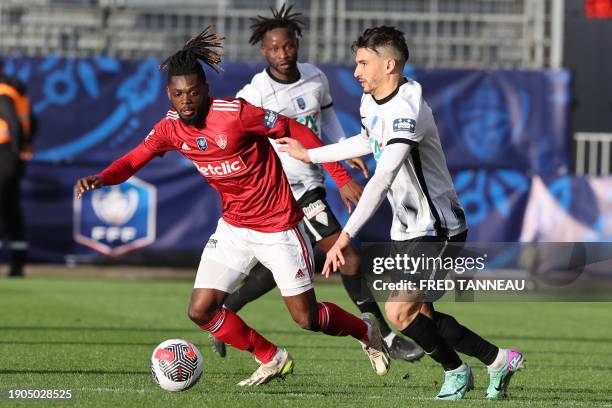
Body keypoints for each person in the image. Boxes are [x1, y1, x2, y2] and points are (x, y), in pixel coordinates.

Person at [75, 27, 390, 386]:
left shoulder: (235, 113)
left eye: (193, 92)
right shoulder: (169, 129)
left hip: (279, 228)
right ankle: (271, 357)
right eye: (179, 94)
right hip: (234, 229)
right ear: (169, 95)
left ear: (206, 90)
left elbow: (291, 128)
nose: (187, 101)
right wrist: (102, 178)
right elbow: (133, 160)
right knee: (200, 310)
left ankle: (366, 332)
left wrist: (336, 173)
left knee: (307, 318)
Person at [278, 26, 525, 400]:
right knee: (419, 314)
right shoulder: (371, 100)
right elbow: (367, 140)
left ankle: (458, 371)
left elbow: (382, 178)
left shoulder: (407, 107)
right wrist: (309, 154)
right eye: (356, 63)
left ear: (389, 63)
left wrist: (343, 238)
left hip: (438, 228)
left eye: (363, 63)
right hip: (408, 229)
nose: (357, 71)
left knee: (398, 311)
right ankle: (496, 360)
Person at [211, 3, 423, 363]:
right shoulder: (255, 94)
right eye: (274, 48)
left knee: (289, 265)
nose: (283, 54)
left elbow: (325, 122)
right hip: (284, 191)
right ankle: (383, 336)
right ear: (263, 51)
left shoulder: (315, 77)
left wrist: (342, 151)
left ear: (297, 43)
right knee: (350, 259)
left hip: (312, 178)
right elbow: (235, 137)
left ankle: (230, 306)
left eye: (288, 45)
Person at [0, 59, 33, 278]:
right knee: (11, 209)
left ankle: (17, 264)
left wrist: (17, 148)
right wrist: (24, 146)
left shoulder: (3, 91)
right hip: (11, 157)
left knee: (7, 208)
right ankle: (18, 264)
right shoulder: (15, 89)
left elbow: (11, 120)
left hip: (4, 154)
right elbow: (31, 121)